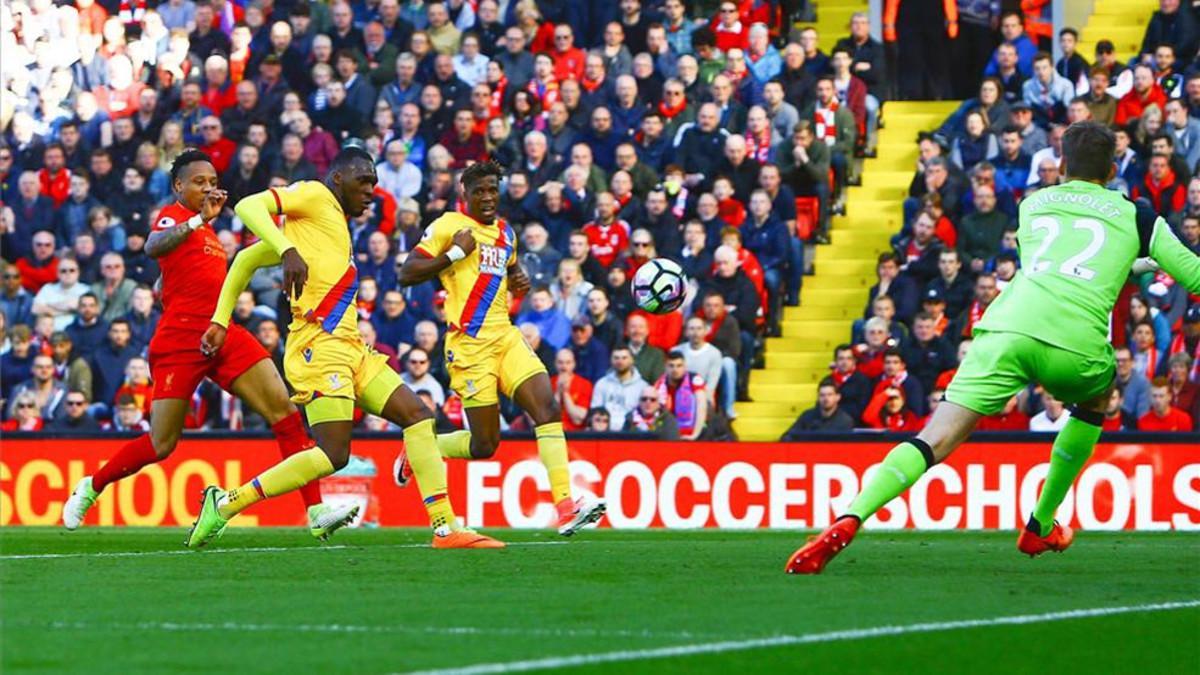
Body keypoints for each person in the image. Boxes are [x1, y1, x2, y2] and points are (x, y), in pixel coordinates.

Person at [787, 122, 1200, 574]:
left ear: (1061, 166)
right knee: (1097, 398)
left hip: (1007, 328)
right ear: (1115, 168)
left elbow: (1057, 260)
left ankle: (849, 517)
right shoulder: (1137, 215)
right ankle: (1041, 523)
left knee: (934, 438)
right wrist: (1147, 255)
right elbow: (1190, 276)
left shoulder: (1033, 205)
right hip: (1074, 343)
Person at [187, 148, 500, 549]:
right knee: (334, 454)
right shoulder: (316, 196)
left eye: (374, 182)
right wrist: (284, 251)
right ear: (338, 178)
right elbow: (249, 205)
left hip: (353, 348)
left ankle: (444, 528)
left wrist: (221, 318)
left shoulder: (324, 227)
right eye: (363, 181)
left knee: (419, 416)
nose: (371, 190)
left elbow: (246, 259)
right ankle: (227, 502)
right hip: (317, 346)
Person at [62, 150, 360, 542]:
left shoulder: (210, 233)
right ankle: (92, 486)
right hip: (180, 340)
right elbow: (153, 246)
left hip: (222, 332)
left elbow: (185, 276)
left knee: (284, 411)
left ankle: (316, 509)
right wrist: (197, 222)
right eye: (198, 181)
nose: (207, 187)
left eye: (212, 180)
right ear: (178, 186)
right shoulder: (175, 217)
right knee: (162, 443)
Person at [398, 160, 606, 537]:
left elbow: (505, 268)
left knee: (546, 405)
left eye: (493, 189)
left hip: (506, 337)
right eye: (479, 191)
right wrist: (453, 256)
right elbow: (407, 272)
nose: (488, 197)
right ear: (465, 195)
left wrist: (516, 277)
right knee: (484, 445)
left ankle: (565, 505)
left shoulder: (507, 233)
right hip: (468, 347)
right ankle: (425, 447)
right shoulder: (448, 226)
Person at [656, 351, 707, 441]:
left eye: (679, 366)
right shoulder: (660, 383)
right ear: (665, 367)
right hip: (669, 433)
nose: (675, 370)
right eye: (671, 366)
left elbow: (701, 406)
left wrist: (695, 434)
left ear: (685, 367)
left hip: (693, 431)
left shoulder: (694, 379)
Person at [781, 379, 855, 438]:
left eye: (830, 395)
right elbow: (788, 436)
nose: (826, 399)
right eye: (822, 395)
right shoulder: (807, 416)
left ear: (838, 397)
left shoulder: (845, 421)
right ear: (818, 398)